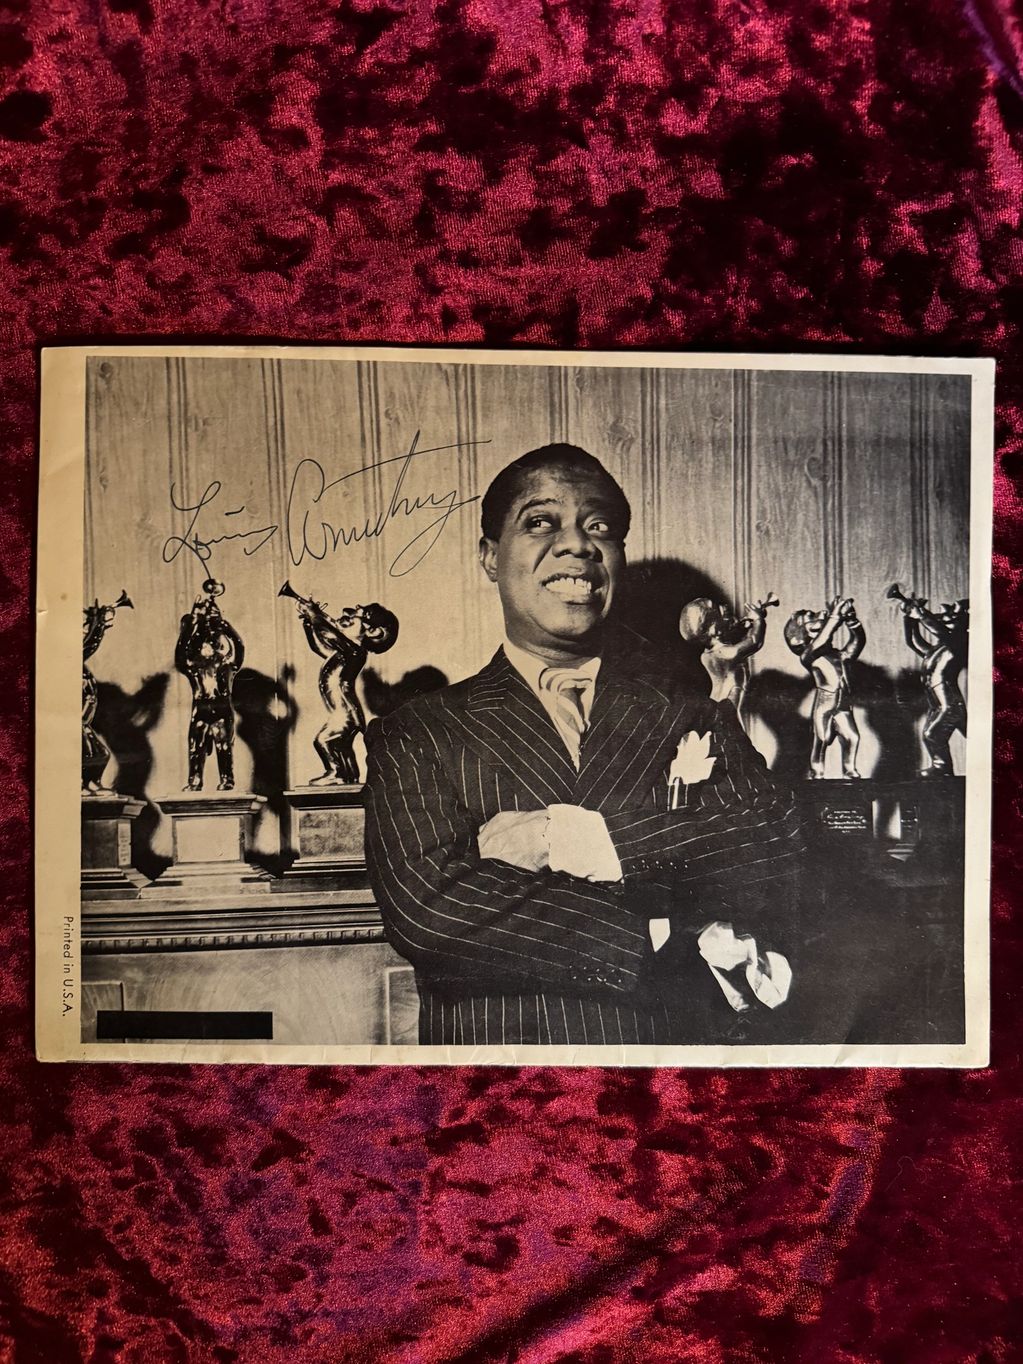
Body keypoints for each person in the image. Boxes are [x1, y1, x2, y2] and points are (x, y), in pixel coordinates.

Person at [364, 445, 804, 1045]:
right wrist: (661, 932)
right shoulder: (418, 730)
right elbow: (432, 913)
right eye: (541, 522)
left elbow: (777, 842)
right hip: (507, 1078)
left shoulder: (690, 710)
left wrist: (574, 839)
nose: (576, 544)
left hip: (671, 1070)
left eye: (599, 527)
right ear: (489, 556)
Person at [784, 597, 865, 780]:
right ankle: (816, 772)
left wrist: (851, 620)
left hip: (843, 704)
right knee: (821, 738)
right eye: (811, 618)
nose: (820, 616)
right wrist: (835, 617)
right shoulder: (809, 656)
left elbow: (858, 641)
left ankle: (849, 770)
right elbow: (821, 640)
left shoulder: (839, 655)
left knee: (852, 737)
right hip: (825, 704)